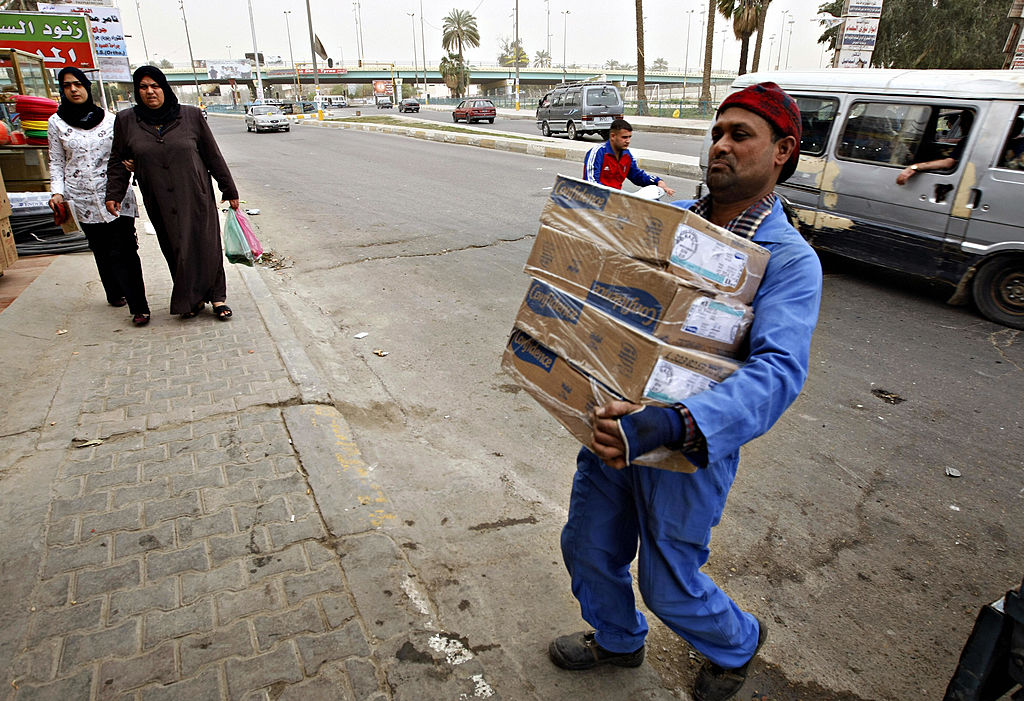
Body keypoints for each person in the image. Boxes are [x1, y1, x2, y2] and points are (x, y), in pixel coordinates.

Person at [549, 82, 823, 701]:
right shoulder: (671, 226)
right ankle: (617, 640)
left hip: (688, 445)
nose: (721, 145)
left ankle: (737, 644)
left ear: (782, 151)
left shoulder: (787, 260)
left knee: (669, 582)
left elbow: (779, 373)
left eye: (740, 135)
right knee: (589, 545)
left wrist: (671, 423)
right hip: (617, 427)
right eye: (717, 133)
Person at [104, 65, 239, 321]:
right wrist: (114, 194)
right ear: (137, 91)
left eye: (155, 86)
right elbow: (118, 160)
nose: (150, 92)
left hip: (195, 193)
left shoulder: (190, 116)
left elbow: (213, 155)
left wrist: (228, 188)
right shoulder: (127, 121)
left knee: (206, 244)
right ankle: (191, 298)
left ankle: (217, 297)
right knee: (175, 247)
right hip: (158, 197)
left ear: (164, 87)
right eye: (143, 87)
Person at [48, 67, 151, 326]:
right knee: (101, 249)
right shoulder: (56, 123)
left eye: (78, 84)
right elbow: (57, 162)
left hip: (116, 194)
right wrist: (57, 192)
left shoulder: (111, 120)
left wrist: (131, 163)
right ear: (62, 90)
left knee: (125, 250)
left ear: (87, 87)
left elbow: (126, 152)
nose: (73, 89)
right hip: (82, 197)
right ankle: (114, 291)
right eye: (68, 85)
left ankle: (139, 306)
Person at [583, 118, 675, 196]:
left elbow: (637, 175)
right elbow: (591, 182)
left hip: (616, 202)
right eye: (624, 137)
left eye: (629, 137)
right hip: (595, 202)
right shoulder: (598, 152)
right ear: (612, 136)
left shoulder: (627, 155)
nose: (628, 141)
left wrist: (658, 181)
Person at [896, 110, 974, 185]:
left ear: (969, 124)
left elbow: (948, 163)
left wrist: (914, 167)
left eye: (962, 121)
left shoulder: (966, 141)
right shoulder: (972, 139)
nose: (959, 124)